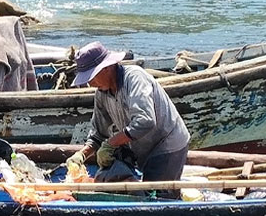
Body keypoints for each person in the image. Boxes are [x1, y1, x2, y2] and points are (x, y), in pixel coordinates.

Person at [65, 41, 191, 187]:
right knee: (106, 181)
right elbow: (98, 134)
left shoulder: (134, 78)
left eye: (91, 77)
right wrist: (81, 155)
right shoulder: (102, 93)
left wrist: (111, 143)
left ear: (107, 67)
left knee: (158, 196)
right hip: (140, 147)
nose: (90, 84)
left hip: (166, 143)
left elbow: (145, 120)